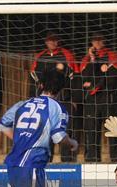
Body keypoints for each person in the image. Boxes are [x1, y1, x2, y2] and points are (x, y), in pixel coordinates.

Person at [30, 32, 80, 162]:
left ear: (58, 42)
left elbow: (74, 78)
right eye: (49, 41)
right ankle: (46, 159)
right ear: (46, 42)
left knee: (64, 128)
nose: (52, 43)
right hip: (46, 101)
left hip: (63, 99)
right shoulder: (40, 57)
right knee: (46, 129)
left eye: (54, 40)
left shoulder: (66, 55)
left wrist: (73, 98)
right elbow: (35, 78)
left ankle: (67, 160)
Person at [79, 33, 117, 162]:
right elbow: (84, 77)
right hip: (92, 98)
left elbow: (112, 77)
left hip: (107, 96)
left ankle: (116, 158)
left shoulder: (111, 55)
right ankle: (92, 158)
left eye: (99, 40)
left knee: (112, 129)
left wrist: (94, 84)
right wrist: (93, 59)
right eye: (94, 40)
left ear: (104, 41)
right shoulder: (87, 58)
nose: (97, 43)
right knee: (91, 129)